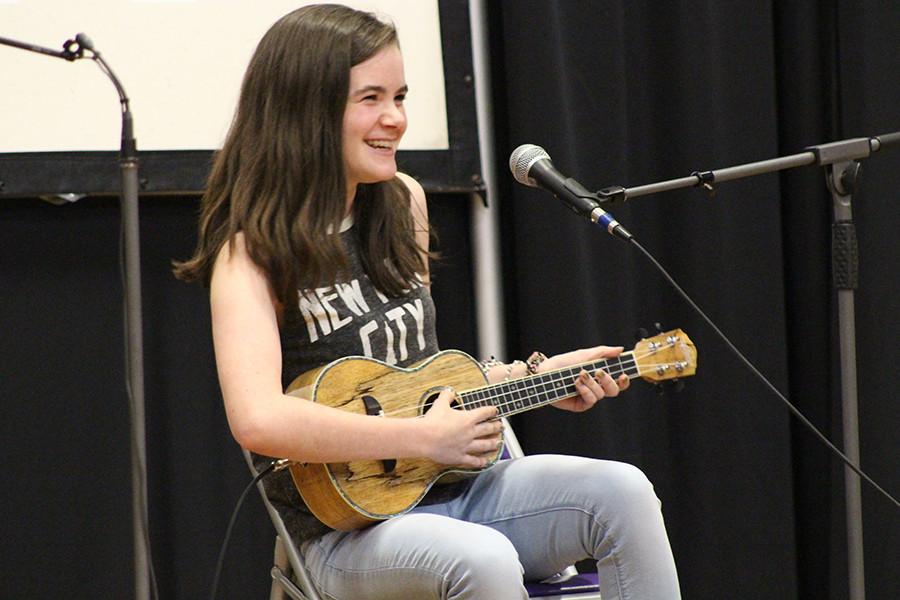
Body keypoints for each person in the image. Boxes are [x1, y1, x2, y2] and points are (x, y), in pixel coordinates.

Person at [175, 4, 680, 599]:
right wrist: (418, 440)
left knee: (623, 492)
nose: (395, 119)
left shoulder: (402, 203)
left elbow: (421, 379)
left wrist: (536, 379)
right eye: (371, 99)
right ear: (305, 110)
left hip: (459, 489)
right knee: (483, 559)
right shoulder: (251, 254)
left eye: (401, 96)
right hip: (344, 535)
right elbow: (259, 419)